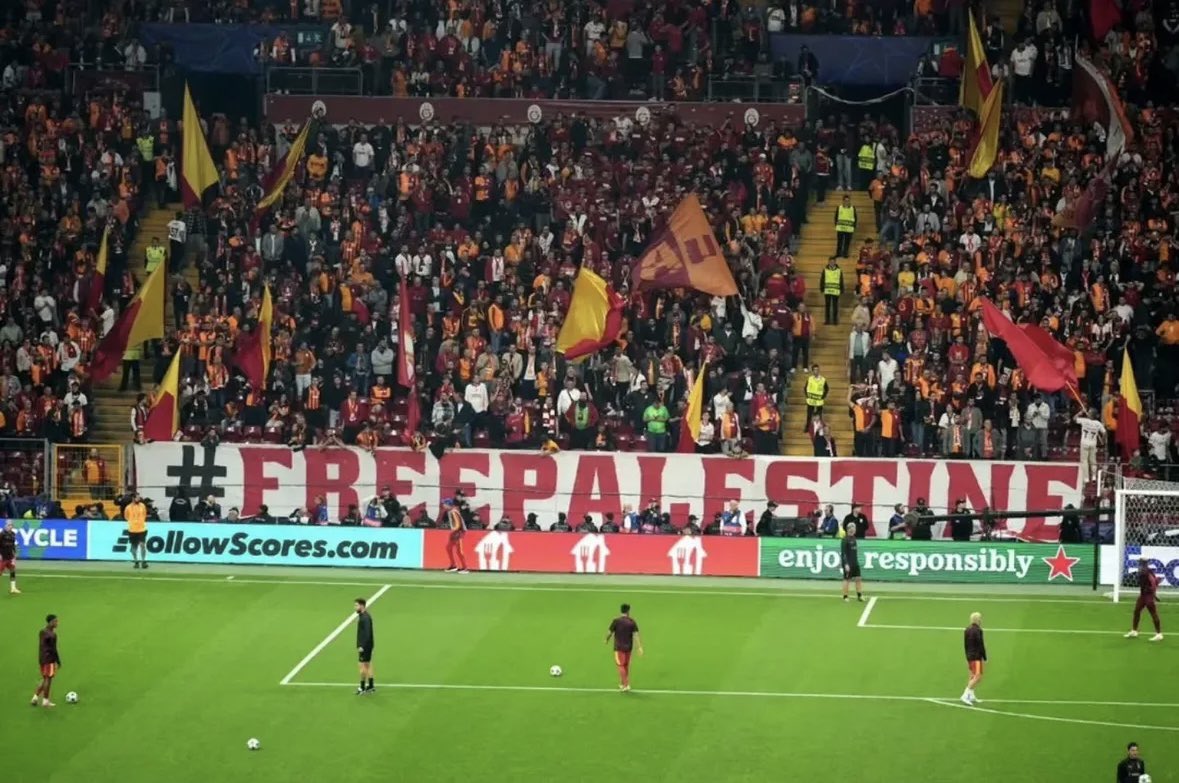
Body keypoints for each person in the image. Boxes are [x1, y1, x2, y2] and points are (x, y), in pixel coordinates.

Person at [606, 603, 643, 692]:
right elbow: (636, 635)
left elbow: (609, 632)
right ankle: (622, 684)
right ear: (628, 611)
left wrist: (606, 640)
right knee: (625, 665)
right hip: (628, 647)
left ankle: (626, 685)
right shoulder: (632, 621)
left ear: (621, 610)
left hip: (619, 648)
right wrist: (639, 647)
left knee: (620, 665)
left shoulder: (616, 621)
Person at [1125, 557, 1163, 641]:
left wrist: (1153, 595)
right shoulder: (1149, 571)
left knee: (1153, 613)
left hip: (1147, 596)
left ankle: (1159, 634)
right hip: (1144, 595)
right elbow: (1155, 582)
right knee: (1137, 611)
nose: (1139, 563)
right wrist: (1155, 595)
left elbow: (1150, 585)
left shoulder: (1143, 572)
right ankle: (1134, 631)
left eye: (1140, 562)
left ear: (1142, 563)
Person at [33, 613, 61, 708]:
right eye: (56, 621)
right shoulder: (52, 635)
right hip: (49, 659)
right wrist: (58, 660)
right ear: (51, 622)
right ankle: (45, 701)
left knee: (45, 678)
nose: (57, 623)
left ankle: (35, 697)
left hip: (42, 658)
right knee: (48, 679)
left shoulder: (42, 631)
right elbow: (54, 649)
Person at [961, 611, 986, 706]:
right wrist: (984, 656)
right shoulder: (978, 630)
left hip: (969, 656)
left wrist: (967, 656)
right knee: (978, 676)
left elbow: (965, 644)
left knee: (972, 675)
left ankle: (971, 695)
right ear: (978, 619)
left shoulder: (967, 629)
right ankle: (965, 694)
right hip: (976, 656)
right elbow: (980, 644)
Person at [355, 598, 375, 695]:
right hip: (368, 645)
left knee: (362, 666)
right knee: (368, 664)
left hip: (365, 646)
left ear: (362, 606)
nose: (355, 607)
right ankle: (371, 686)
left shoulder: (365, 618)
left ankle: (362, 687)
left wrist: (362, 646)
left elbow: (367, 634)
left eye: (356, 605)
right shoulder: (364, 616)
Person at [443, 499, 469, 573]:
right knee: (448, 547)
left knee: (459, 550)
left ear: (448, 504)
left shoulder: (453, 512)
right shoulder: (451, 511)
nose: (443, 505)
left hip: (459, 532)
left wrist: (453, 530)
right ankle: (453, 565)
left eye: (444, 504)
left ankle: (465, 568)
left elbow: (458, 524)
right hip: (455, 531)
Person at [125, 493, 149, 569]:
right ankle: (136, 561)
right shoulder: (128, 507)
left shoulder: (142, 506)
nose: (139, 499)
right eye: (137, 498)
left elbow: (144, 515)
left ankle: (143, 561)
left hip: (142, 529)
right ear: (133, 498)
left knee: (142, 545)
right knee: (133, 547)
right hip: (132, 530)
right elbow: (126, 517)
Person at [840, 523, 863, 602]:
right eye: (852, 528)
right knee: (847, 579)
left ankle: (859, 595)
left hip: (855, 563)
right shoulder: (845, 539)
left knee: (858, 578)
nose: (853, 529)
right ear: (848, 529)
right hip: (848, 564)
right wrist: (846, 564)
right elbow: (843, 553)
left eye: (854, 527)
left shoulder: (854, 538)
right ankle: (845, 596)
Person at [0, 519, 18, 594]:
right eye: (8, 525)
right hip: (3, 556)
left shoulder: (13, 534)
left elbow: (13, 545)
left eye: (11, 525)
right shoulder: (2, 534)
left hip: (10, 556)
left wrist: (14, 555)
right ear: (6, 525)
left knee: (12, 570)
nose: (10, 526)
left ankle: (13, 588)